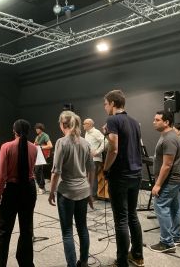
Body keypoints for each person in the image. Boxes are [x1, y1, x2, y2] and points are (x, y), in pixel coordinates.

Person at [102, 90, 144, 267]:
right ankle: (137, 256)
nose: (105, 107)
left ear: (112, 103)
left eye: (105, 104)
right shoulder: (135, 122)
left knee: (120, 220)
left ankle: (121, 262)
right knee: (132, 216)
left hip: (120, 176)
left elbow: (114, 148)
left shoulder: (112, 120)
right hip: (136, 174)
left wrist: (105, 168)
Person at [0, 119, 37, 267]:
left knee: (3, 231)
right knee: (27, 230)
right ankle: (26, 263)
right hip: (29, 190)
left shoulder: (6, 147)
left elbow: (2, 176)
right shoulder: (34, 148)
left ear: (14, 131)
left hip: (11, 191)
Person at [48, 110, 94, 267]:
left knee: (67, 232)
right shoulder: (86, 143)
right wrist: (89, 191)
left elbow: (56, 172)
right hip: (83, 191)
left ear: (63, 124)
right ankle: (84, 262)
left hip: (66, 192)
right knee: (83, 228)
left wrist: (51, 192)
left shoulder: (62, 142)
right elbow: (91, 169)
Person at [150, 111, 180, 253]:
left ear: (166, 122)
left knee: (160, 207)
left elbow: (167, 165)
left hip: (169, 181)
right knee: (174, 208)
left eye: (157, 120)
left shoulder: (169, 138)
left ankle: (167, 243)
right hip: (174, 180)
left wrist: (157, 185)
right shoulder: (167, 136)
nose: (154, 122)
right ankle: (176, 237)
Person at [83, 118, 106, 198]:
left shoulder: (96, 132)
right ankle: (88, 195)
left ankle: (92, 196)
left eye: (84, 123)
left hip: (95, 159)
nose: (83, 125)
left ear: (90, 124)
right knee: (88, 176)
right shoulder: (87, 133)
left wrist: (97, 152)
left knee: (92, 177)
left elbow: (105, 141)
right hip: (88, 159)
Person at [34, 123, 53, 194]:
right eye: (36, 128)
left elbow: (50, 145)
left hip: (43, 155)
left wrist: (41, 147)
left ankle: (41, 187)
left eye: (37, 128)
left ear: (41, 129)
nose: (36, 130)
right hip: (38, 155)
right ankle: (41, 187)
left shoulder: (45, 135)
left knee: (38, 171)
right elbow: (35, 145)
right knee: (37, 171)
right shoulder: (37, 137)